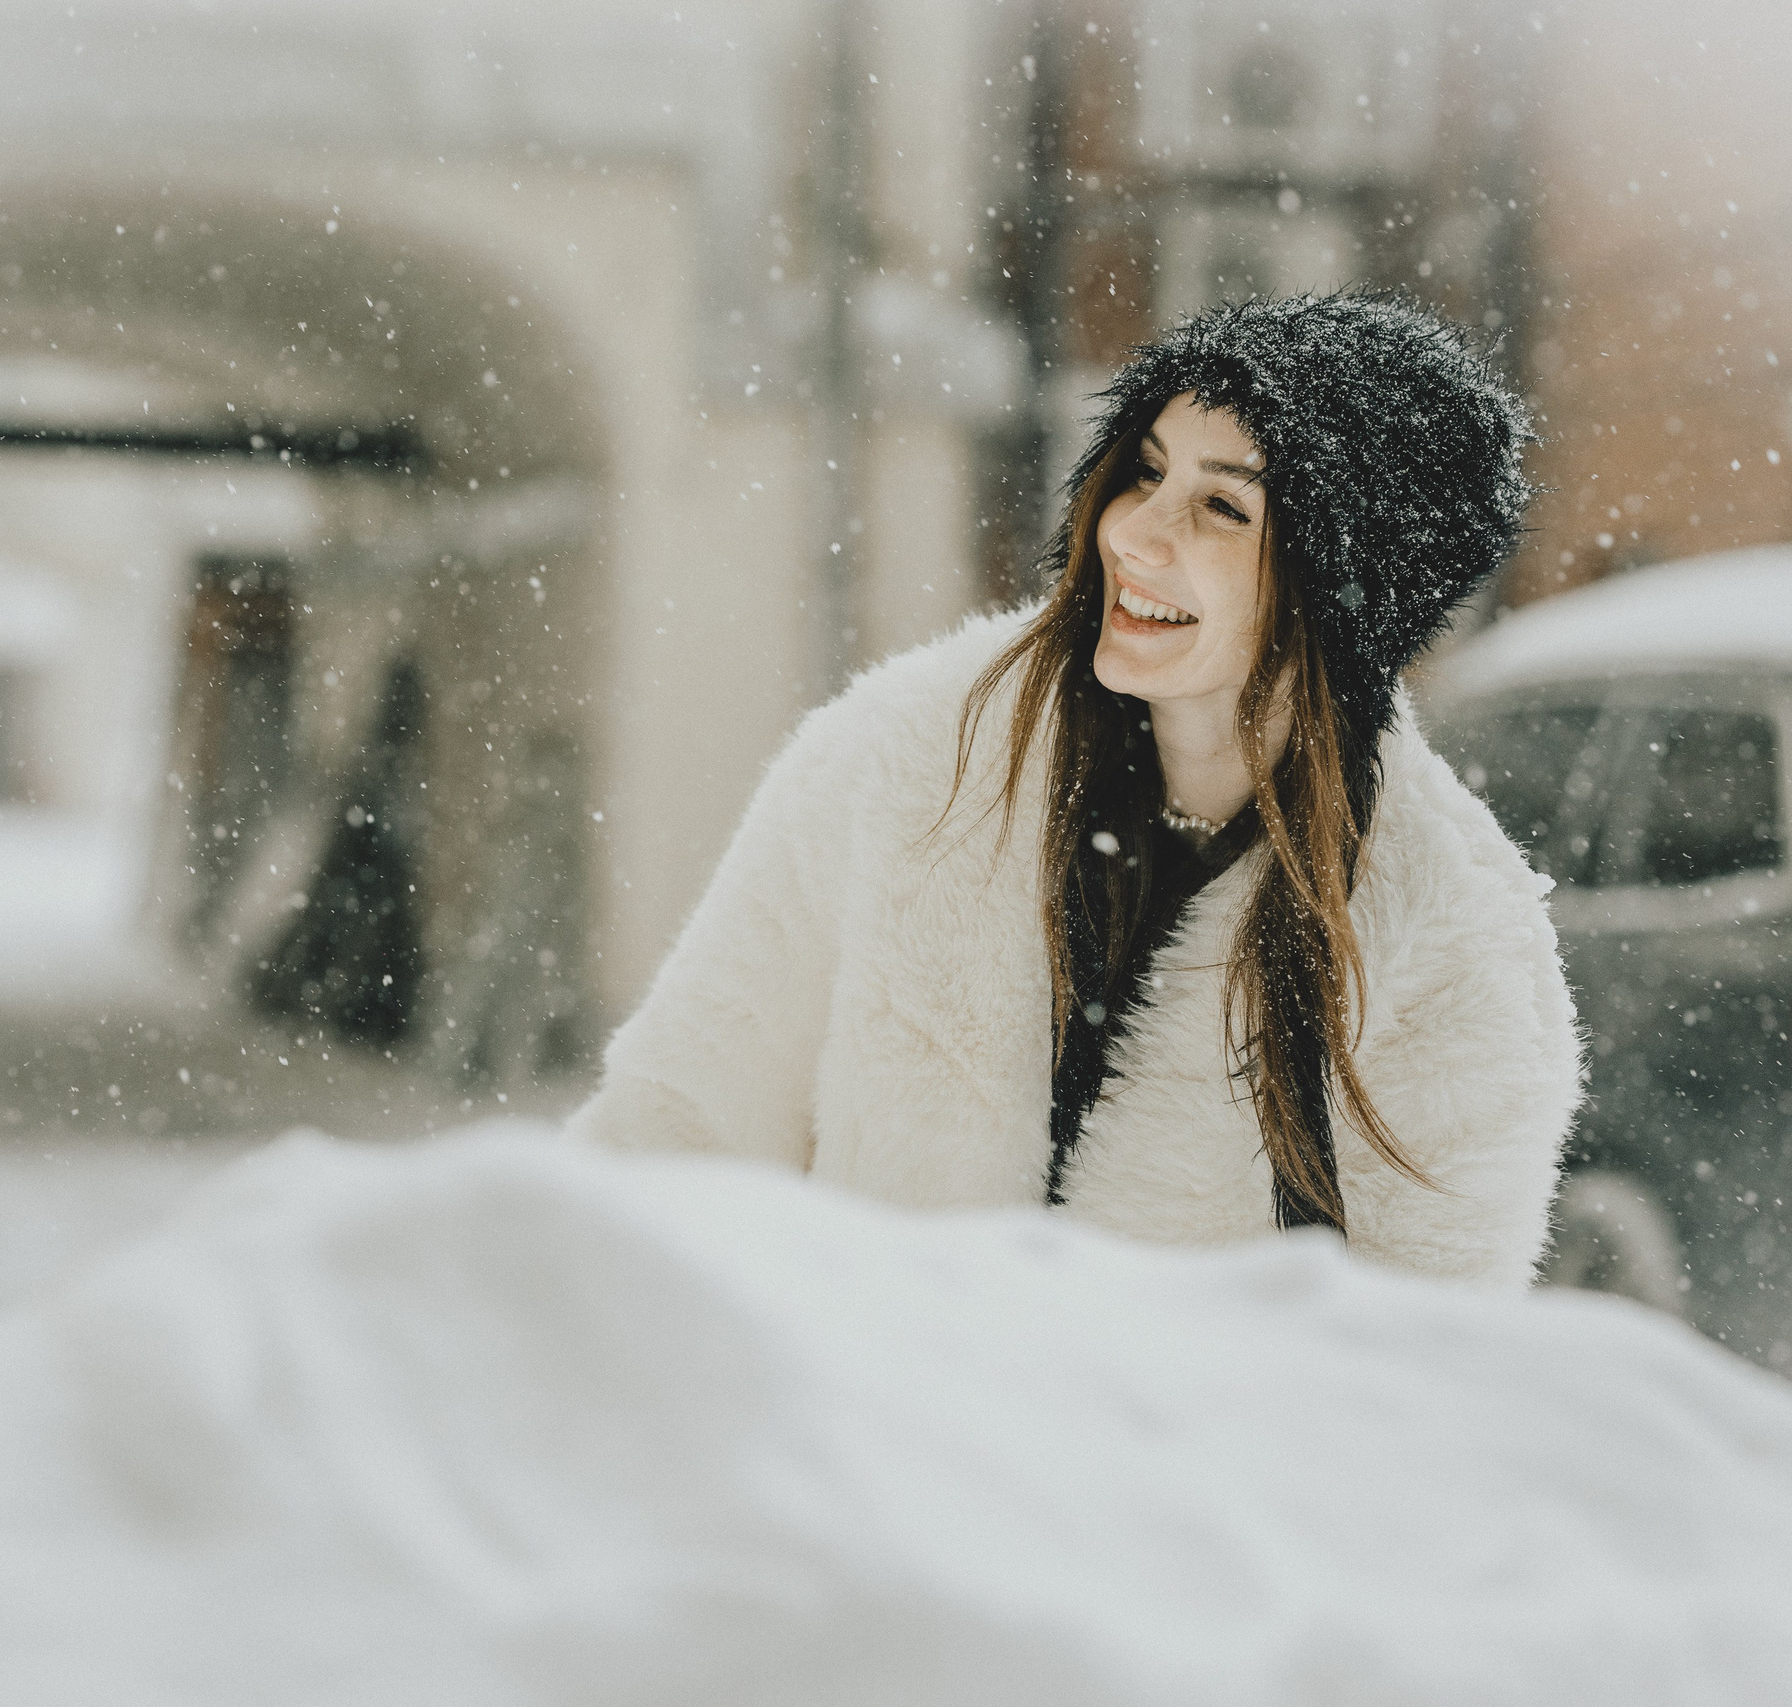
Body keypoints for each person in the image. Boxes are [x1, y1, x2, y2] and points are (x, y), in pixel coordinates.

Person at [568, 292, 1581, 1286]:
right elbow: (672, 1154)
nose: (1136, 534)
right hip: (861, 1444)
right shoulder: (907, 757)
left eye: (1222, 506)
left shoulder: (1454, 934)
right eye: (1145, 472)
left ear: (1339, 587)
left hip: (1171, 1455)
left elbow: (1405, 1381)